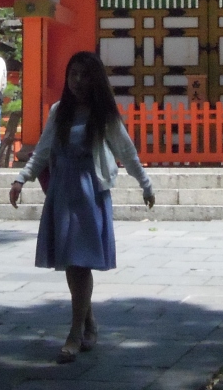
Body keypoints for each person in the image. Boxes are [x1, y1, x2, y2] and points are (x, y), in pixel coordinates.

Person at [10, 51, 155, 364]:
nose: (77, 81)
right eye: (73, 74)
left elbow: (126, 151)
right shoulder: (59, 111)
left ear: (96, 79)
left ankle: (75, 332)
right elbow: (42, 150)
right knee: (71, 261)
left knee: (80, 262)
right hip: (62, 191)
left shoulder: (104, 115)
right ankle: (88, 322)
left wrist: (146, 184)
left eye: (85, 75)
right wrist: (21, 179)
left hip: (90, 193)